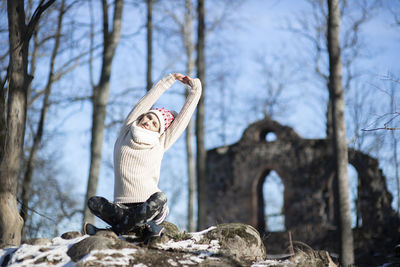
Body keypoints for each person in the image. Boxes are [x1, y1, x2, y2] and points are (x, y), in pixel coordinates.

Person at [85, 73, 202, 235]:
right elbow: (145, 101)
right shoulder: (125, 133)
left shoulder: (160, 142)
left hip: (149, 205)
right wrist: (168, 81)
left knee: (160, 198)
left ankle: (113, 231)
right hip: (121, 208)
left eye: (155, 123)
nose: (148, 122)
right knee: (94, 202)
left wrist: (196, 89)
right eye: (148, 117)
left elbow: (183, 119)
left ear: (159, 131)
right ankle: (138, 229)